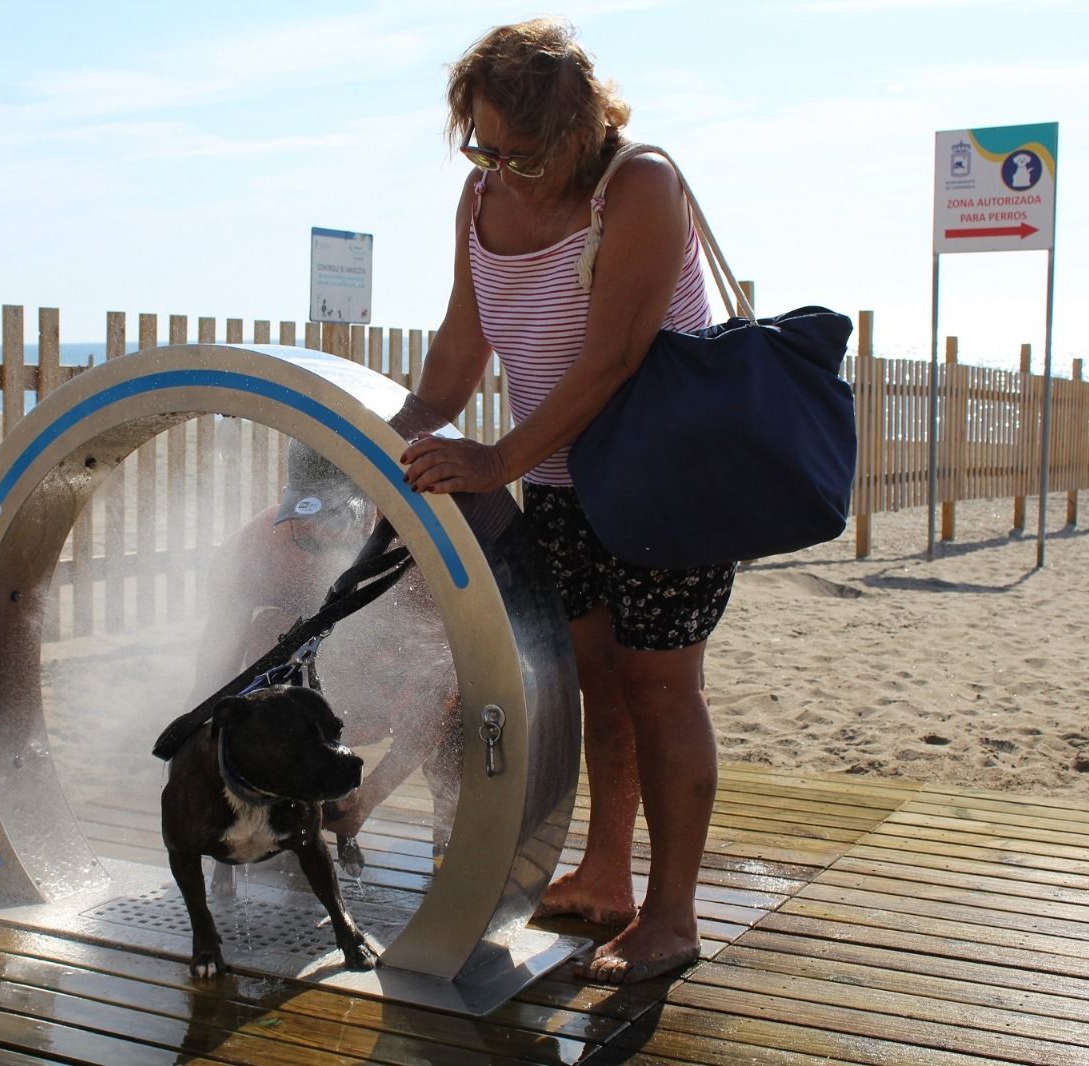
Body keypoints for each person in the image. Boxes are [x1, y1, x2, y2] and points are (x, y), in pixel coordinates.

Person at [396, 19, 736, 985]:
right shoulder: (480, 198)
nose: (506, 169)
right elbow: (462, 351)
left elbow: (614, 359)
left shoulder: (639, 186)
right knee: (595, 681)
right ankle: (604, 875)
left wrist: (495, 457)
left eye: (526, 151)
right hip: (558, 484)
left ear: (582, 125)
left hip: (665, 484)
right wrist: (395, 444)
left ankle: (672, 916)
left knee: (662, 687)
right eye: (485, 147)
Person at [192, 440, 461, 848]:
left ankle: (455, 843)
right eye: (307, 525)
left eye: (337, 521)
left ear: (372, 508)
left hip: (395, 683)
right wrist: (201, 757)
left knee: (466, 705)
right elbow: (216, 668)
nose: (320, 533)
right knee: (269, 630)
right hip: (321, 693)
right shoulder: (256, 550)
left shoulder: (411, 556)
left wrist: (370, 796)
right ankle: (283, 825)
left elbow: (442, 687)